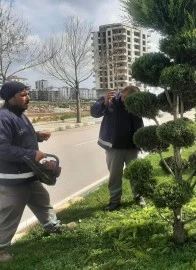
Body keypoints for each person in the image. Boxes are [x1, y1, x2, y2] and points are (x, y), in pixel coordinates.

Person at [0, 82, 75, 263]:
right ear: (10, 98)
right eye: (23, 94)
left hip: (29, 175)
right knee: (9, 214)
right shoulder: (3, 117)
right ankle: (1, 249)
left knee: (42, 202)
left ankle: (53, 227)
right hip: (13, 179)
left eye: (28, 93)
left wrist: (37, 136)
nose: (29, 97)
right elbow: (2, 148)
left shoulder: (19, 115)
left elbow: (20, 136)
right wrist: (33, 154)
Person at [91, 85, 145, 211]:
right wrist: (104, 103)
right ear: (122, 93)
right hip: (114, 147)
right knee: (115, 175)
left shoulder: (136, 104)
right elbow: (94, 113)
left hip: (132, 146)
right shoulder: (110, 100)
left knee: (135, 174)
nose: (126, 101)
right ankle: (115, 201)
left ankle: (138, 197)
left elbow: (140, 122)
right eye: (125, 97)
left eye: (129, 99)